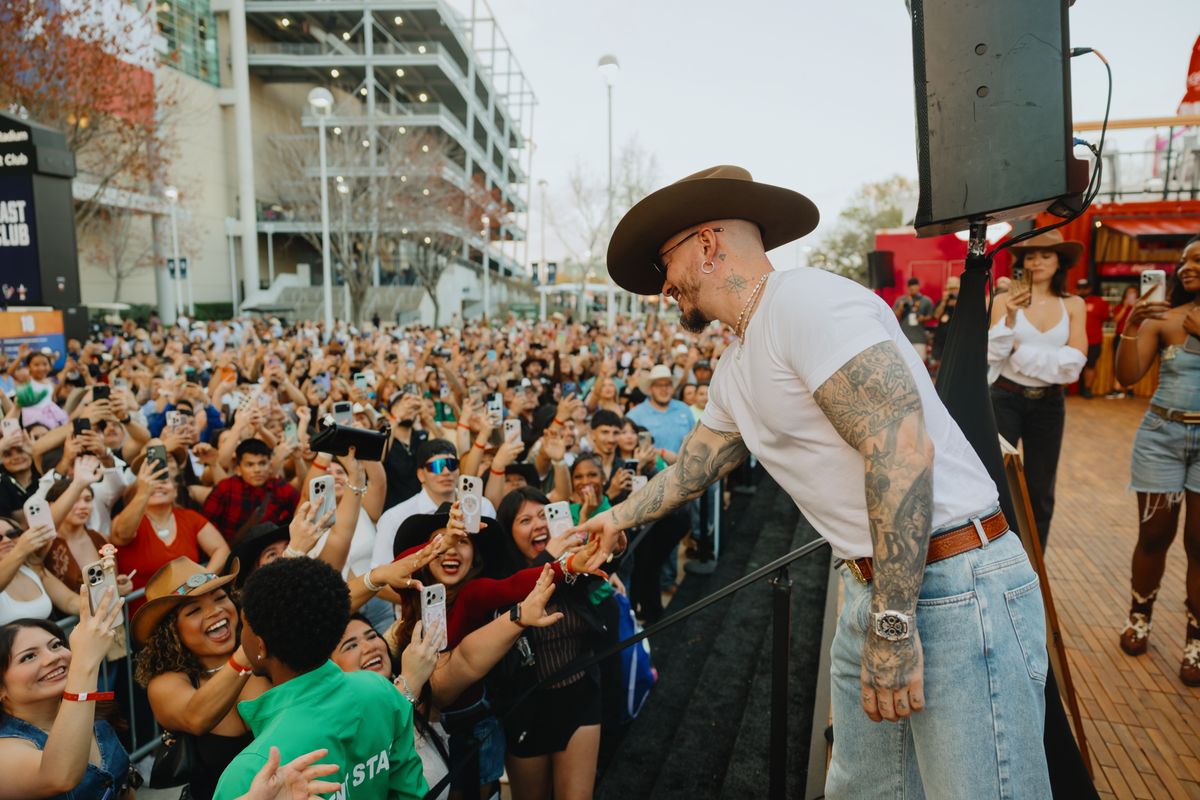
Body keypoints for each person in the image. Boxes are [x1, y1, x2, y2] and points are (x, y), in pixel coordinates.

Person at [588, 165, 1050, 796]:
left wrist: (893, 624)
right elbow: (695, 467)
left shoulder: (803, 302)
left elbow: (900, 451)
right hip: (880, 586)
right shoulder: (737, 363)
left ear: (706, 244)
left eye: (664, 264)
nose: (663, 286)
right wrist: (614, 520)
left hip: (949, 584)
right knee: (865, 790)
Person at [212, 556, 428, 800]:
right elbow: (410, 793)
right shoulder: (379, 690)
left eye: (244, 624)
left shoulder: (252, 773)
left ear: (261, 646)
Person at [1113, 235, 1200, 685]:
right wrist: (1132, 325)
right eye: (1184, 261)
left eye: (1197, 260)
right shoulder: (1165, 318)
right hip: (1161, 436)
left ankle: (1196, 640)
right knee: (1154, 533)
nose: (1187, 267)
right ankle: (1139, 618)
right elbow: (1127, 377)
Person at [988, 230, 1088, 548]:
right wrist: (1012, 316)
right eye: (1030, 256)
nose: (1037, 262)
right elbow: (992, 354)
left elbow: (1073, 365)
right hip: (1004, 397)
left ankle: (1035, 566)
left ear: (1059, 261)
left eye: (1046, 255)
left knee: (1040, 489)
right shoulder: (1004, 300)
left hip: (1048, 404)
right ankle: (1002, 561)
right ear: (1021, 263)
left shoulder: (1073, 304)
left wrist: (1020, 352)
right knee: (997, 485)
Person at [0, 587, 135, 800]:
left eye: (55, 645)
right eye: (28, 657)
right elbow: (58, 777)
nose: (52, 657)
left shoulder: (93, 715)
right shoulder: (4, 749)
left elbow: (124, 785)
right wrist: (85, 664)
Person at [111, 449, 231, 604]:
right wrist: (143, 493)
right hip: (143, 614)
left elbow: (222, 550)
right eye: (153, 482)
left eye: (164, 481)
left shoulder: (189, 517)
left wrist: (202, 580)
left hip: (185, 608)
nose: (158, 486)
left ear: (175, 491)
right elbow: (122, 534)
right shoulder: (129, 519)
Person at [371, 440, 496, 571]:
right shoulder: (395, 517)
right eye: (436, 466)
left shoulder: (483, 506)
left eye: (452, 464)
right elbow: (379, 574)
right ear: (420, 475)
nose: (446, 471)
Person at [202, 439, 300, 540]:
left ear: (270, 466)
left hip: (269, 549)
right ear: (238, 469)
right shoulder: (225, 488)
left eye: (262, 463)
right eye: (250, 465)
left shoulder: (280, 487)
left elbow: (301, 508)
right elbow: (206, 527)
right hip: (231, 551)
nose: (257, 470)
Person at [1076, 277, 1111, 397]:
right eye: (1079, 288)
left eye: (1085, 288)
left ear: (1090, 288)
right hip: (1074, 339)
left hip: (1093, 340)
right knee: (1068, 363)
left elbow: (1108, 318)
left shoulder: (1100, 302)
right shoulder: (1071, 301)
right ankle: (1066, 389)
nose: (1082, 290)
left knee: (1090, 365)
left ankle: (1087, 389)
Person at [892, 277, 933, 361]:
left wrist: (923, 318)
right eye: (911, 287)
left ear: (918, 287)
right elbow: (895, 315)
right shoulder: (901, 300)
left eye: (915, 286)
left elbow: (931, 316)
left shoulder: (926, 300)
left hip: (919, 338)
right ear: (908, 288)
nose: (913, 289)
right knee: (905, 362)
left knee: (920, 362)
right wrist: (901, 307)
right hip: (904, 338)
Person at [930, 275, 960, 364]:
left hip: (956, 339)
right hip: (942, 338)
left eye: (955, 288)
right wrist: (944, 302)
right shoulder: (942, 301)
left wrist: (956, 303)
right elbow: (936, 316)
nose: (953, 291)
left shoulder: (962, 302)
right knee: (940, 363)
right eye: (950, 288)